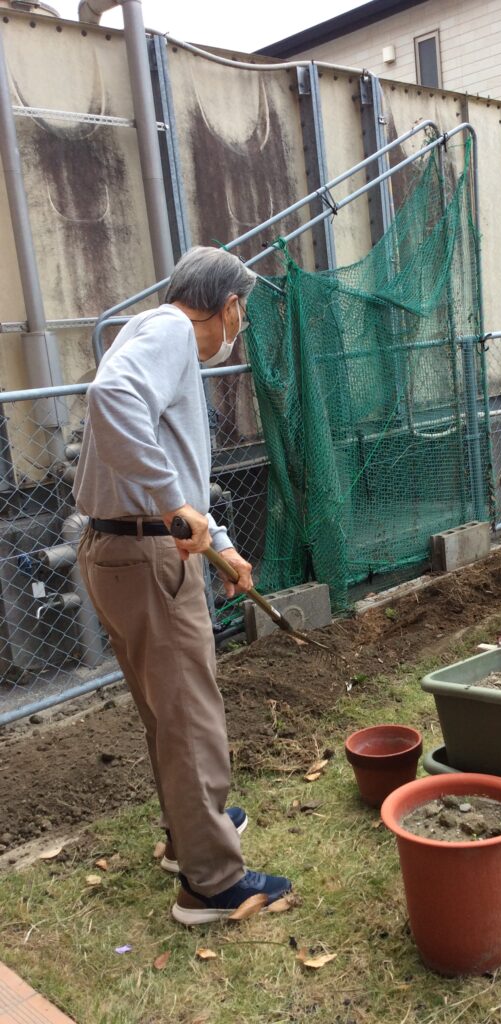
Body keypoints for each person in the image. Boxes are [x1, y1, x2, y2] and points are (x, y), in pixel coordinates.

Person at [73, 246, 292, 925]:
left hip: (128, 547)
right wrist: (174, 507)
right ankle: (211, 883)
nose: (240, 329)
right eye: (243, 316)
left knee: (170, 711)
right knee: (191, 716)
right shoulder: (169, 331)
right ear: (226, 306)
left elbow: (171, 468)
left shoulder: (151, 334)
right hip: (145, 556)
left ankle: (189, 833)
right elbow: (111, 400)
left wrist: (219, 543)